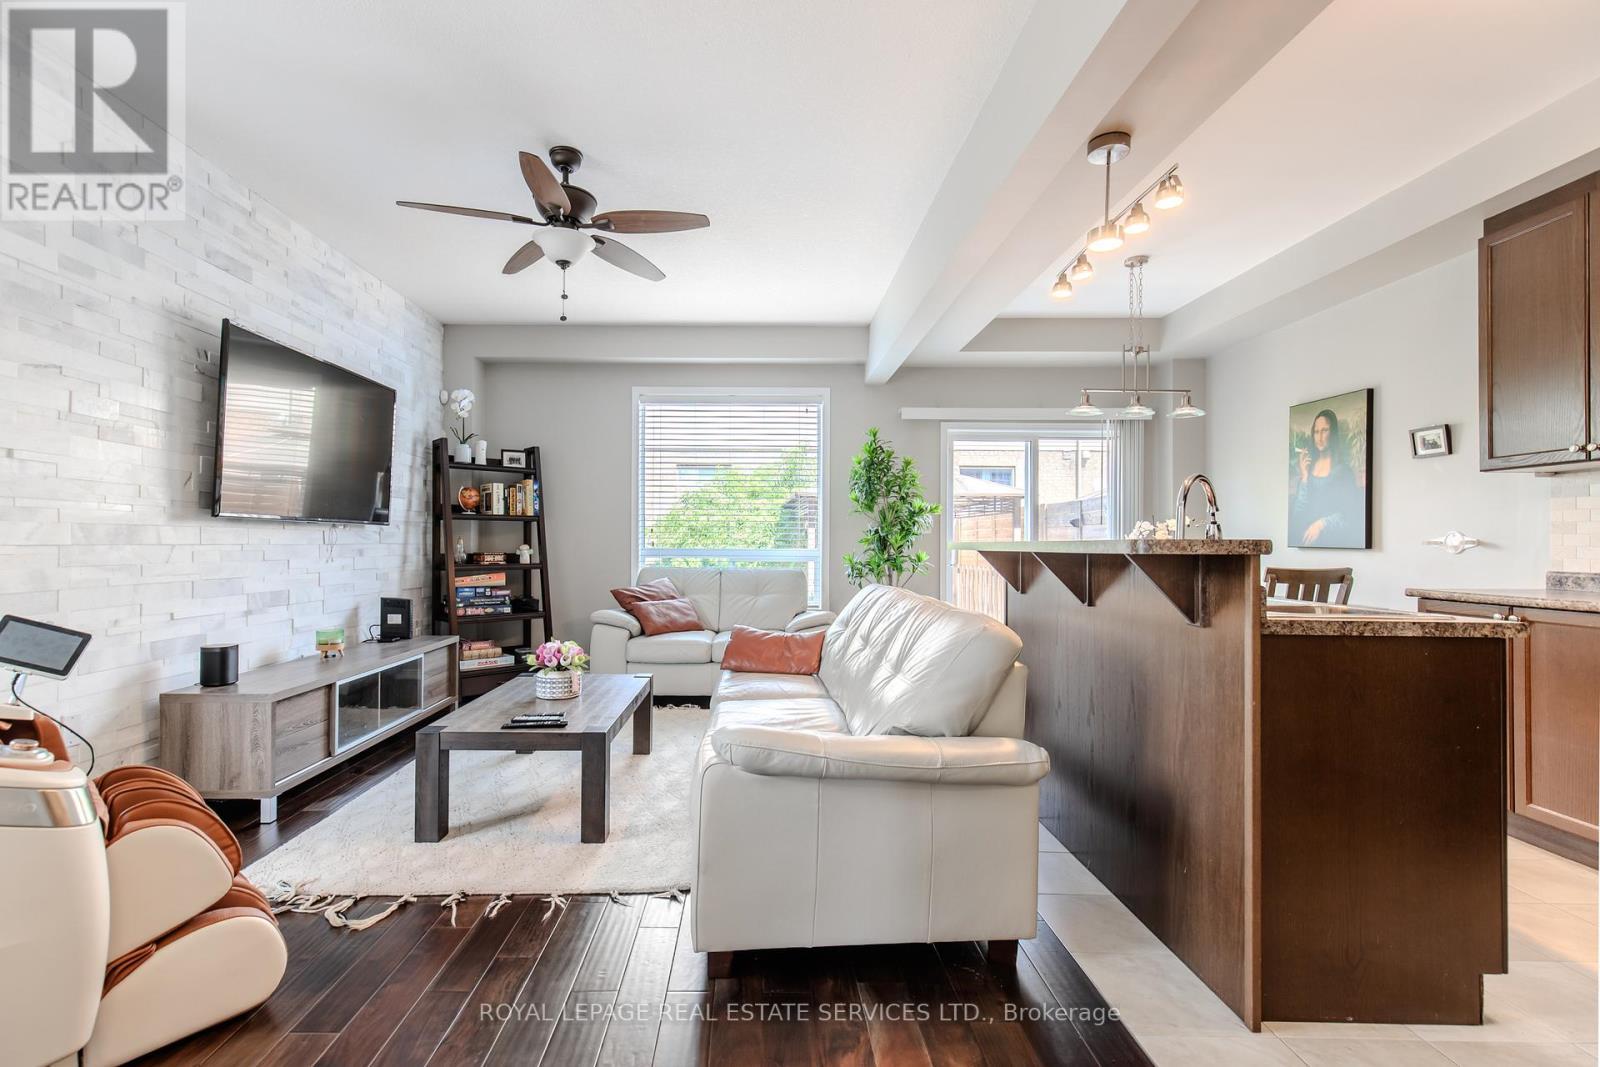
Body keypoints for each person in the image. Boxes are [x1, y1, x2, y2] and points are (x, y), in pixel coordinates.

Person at [1289, 408, 1362, 546]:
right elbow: (1298, 516)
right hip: (1306, 544)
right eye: (1316, 432)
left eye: (1325, 430)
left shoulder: (1343, 472)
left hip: (1333, 541)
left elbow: (1350, 514)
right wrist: (1304, 476)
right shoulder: (1307, 473)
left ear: (1333, 433)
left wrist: (1321, 524)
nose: (1320, 437)